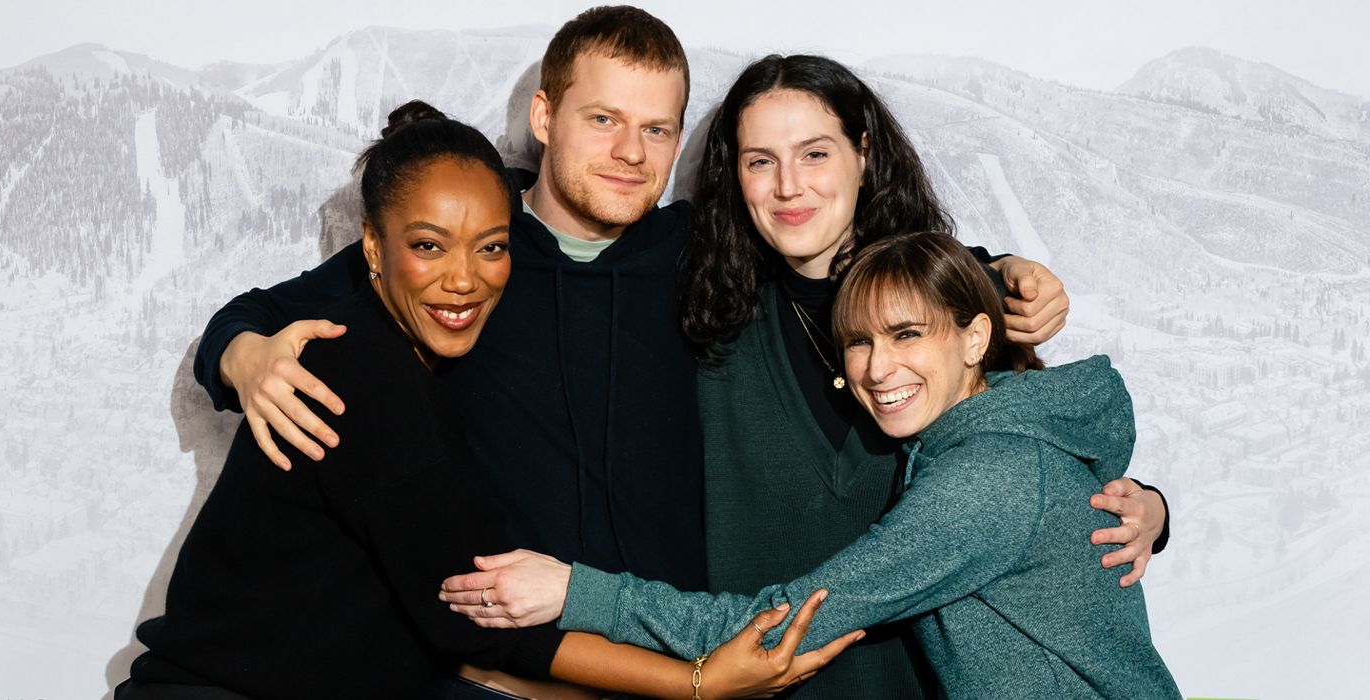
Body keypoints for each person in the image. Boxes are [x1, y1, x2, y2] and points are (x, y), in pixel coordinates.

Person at [190, 8, 1082, 697]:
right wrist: (241, 355)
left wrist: (998, 277)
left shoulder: (704, 254)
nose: (631, 152)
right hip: (506, 677)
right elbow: (260, 315)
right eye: (604, 119)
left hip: (688, 671)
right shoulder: (467, 247)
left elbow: (862, 274)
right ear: (544, 114)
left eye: (658, 130)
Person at [443, 54, 1171, 699]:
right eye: (760, 160)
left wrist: (1147, 509)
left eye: (815, 153)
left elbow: (1045, 445)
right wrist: (334, 309)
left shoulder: (953, 305)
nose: (789, 185)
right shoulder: (695, 289)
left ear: (863, 153)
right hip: (747, 675)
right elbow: (515, 220)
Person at [117, 101, 856, 700]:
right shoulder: (359, 375)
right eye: (430, 247)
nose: (464, 279)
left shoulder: (418, 353)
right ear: (372, 249)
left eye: (492, 247)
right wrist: (697, 683)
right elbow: (477, 616)